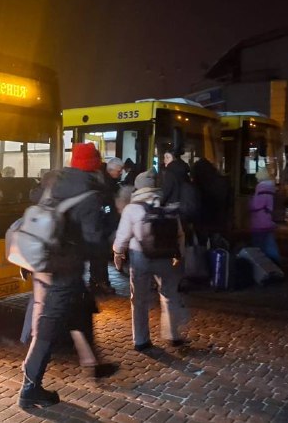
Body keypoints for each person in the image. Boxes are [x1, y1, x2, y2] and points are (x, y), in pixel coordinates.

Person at [19, 143, 118, 409]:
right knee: (48, 327)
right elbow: (94, 242)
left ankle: (93, 363)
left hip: (45, 260)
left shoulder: (55, 182)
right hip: (65, 269)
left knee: (81, 310)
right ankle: (30, 387)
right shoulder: (91, 195)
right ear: (94, 165)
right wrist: (108, 238)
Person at [112, 171, 187, 352]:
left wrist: (118, 254)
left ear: (138, 187)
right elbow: (179, 234)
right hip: (166, 256)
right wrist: (179, 255)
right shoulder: (167, 206)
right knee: (170, 295)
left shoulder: (132, 208)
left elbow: (122, 237)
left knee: (139, 299)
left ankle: (141, 340)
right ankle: (173, 334)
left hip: (140, 257)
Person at [89, 157, 123, 295]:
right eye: (119, 171)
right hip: (103, 223)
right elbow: (106, 205)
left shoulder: (105, 181)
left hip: (103, 222)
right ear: (111, 170)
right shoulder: (105, 184)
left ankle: (96, 281)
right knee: (100, 254)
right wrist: (109, 216)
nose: (120, 173)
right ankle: (101, 281)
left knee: (99, 254)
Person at [248, 167, 280, 264]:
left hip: (259, 222)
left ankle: (265, 266)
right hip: (267, 221)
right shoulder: (269, 189)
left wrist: (250, 201)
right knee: (269, 245)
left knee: (259, 247)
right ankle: (274, 265)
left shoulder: (262, 189)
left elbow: (255, 205)